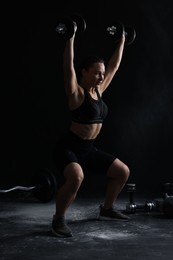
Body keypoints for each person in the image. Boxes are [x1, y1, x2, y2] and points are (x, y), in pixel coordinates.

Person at [52, 21, 130, 238]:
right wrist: (70, 36)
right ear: (84, 73)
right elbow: (68, 67)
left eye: (101, 73)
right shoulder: (77, 95)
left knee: (122, 172)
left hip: (89, 150)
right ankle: (58, 219)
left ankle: (107, 209)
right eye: (96, 73)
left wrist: (122, 40)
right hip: (68, 148)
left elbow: (114, 66)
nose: (101, 77)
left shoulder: (100, 90)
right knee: (77, 177)